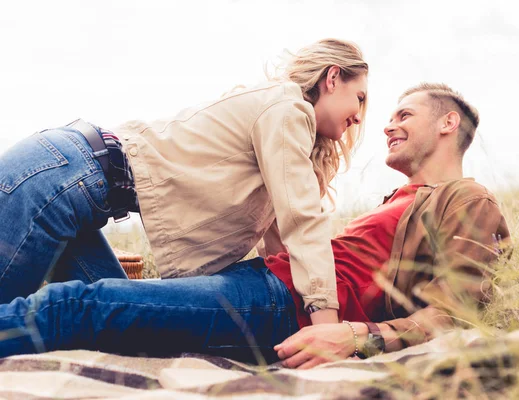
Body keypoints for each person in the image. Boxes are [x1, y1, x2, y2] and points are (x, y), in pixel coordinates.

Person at [0, 83, 509, 369]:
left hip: (278, 304)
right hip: (260, 283)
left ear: (448, 124)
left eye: (404, 114)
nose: (386, 124)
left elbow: (454, 312)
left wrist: (356, 337)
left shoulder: (467, 199)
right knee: (83, 269)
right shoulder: (398, 200)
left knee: (73, 306)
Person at [0, 39, 369, 328]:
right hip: (61, 175)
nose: (359, 117)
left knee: (118, 325)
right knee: (9, 322)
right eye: (360, 98)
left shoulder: (281, 133)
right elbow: (303, 222)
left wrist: (289, 309)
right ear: (332, 78)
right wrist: (325, 322)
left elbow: (280, 249)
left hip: (74, 184)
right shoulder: (288, 109)